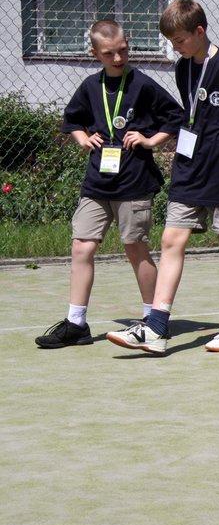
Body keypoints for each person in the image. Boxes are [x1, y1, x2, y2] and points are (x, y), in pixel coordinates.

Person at [107, 0, 219, 355]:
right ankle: (156, 328)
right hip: (189, 168)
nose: (175, 47)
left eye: (179, 40)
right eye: (171, 42)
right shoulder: (183, 68)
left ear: (200, 31)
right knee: (171, 239)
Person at [35, 20, 184, 349]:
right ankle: (76, 323)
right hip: (97, 182)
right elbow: (73, 119)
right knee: (81, 247)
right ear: (95, 54)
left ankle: (154, 320)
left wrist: (150, 140)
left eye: (123, 51)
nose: (118, 58)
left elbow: (175, 117)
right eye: (109, 54)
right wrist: (82, 138)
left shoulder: (142, 84)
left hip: (134, 181)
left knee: (135, 247)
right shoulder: (91, 86)